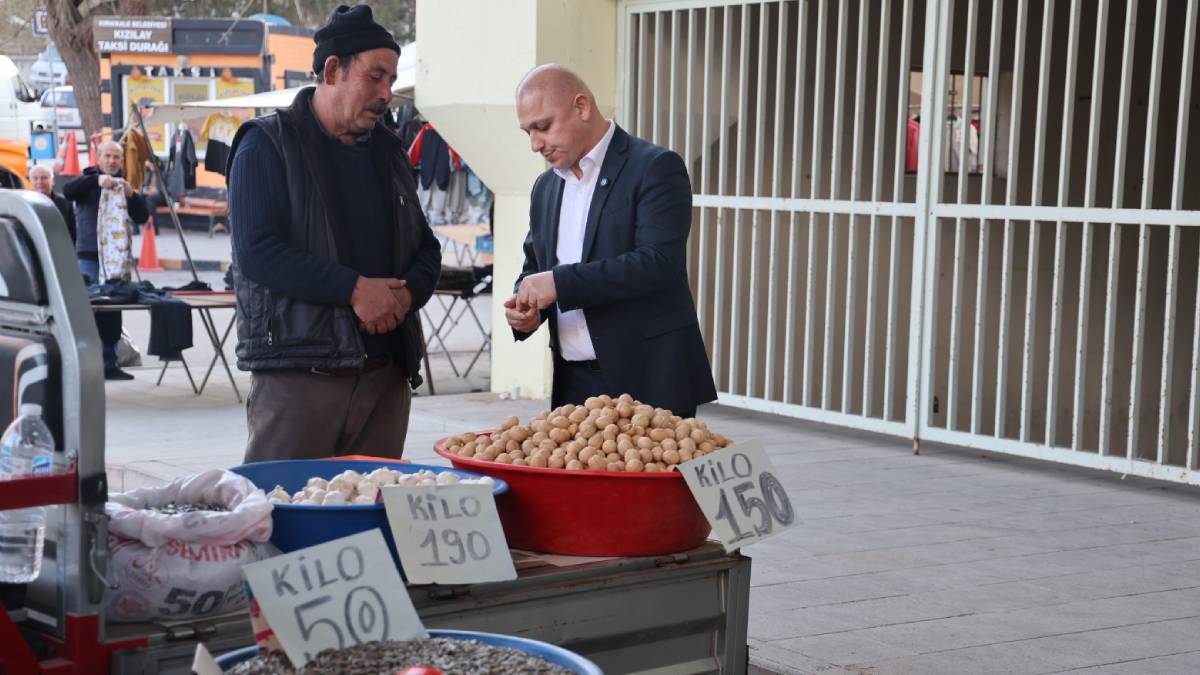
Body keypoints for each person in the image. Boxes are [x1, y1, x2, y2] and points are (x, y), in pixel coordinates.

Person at [228, 4, 441, 463]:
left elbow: (426, 248)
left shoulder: (389, 150)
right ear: (331, 70)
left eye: (392, 79)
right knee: (280, 519)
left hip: (387, 377)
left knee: (368, 520)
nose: (387, 93)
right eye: (376, 77)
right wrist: (354, 290)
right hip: (301, 376)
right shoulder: (266, 145)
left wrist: (403, 298)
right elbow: (257, 252)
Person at [506, 65, 718, 418]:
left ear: (582, 107)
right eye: (527, 131)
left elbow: (657, 264)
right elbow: (536, 267)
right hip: (572, 384)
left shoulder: (654, 166)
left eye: (543, 126)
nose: (535, 144)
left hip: (648, 379)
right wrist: (528, 308)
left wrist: (559, 283)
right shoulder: (545, 187)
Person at [63, 140, 150, 381]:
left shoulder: (123, 185)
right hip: (89, 256)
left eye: (116, 157)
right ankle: (89, 366)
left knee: (112, 311)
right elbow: (69, 191)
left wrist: (133, 196)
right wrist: (96, 180)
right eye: (107, 156)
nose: (112, 161)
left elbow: (143, 217)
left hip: (115, 261)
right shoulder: (88, 180)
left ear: (121, 161)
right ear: (98, 158)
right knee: (88, 310)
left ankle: (110, 364)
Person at [29, 164, 76, 244]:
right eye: (35, 178)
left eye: (44, 178)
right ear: (30, 182)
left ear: (52, 181)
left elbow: (74, 232)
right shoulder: (26, 204)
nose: (39, 182)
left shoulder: (66, 203)